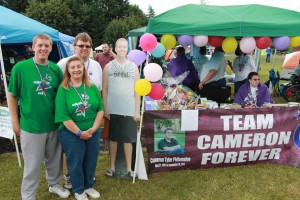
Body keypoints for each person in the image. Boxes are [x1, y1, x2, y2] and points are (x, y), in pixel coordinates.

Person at [8, 34, 70, 199]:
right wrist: (15, 121)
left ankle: (54, 184)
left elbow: (62, 95)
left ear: (51, 48)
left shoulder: (55, 69)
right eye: (40, 45)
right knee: (32, 165)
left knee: (54, 160)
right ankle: (28, 194)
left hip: (54, 124)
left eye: (47, 46)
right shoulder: (20, 68)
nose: (43, 48)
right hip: (31, 125)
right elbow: (12, 95)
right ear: (33, 47)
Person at [57, 32, 102, 189]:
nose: (84, 48)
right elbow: (60, 89)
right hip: (70, 118)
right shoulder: (63, 63)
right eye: (81, 45)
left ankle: (87, 179)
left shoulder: (96, 65)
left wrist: (97, 123)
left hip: (90, 118)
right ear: (74, 46)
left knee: (90, 155)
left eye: (87, 46)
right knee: (71, 153)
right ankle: (70, 177)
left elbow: (99, 91)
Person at [102, 38, 140, 178]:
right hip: (113, 109)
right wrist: (106, 108)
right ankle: (112, 167)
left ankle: (129, 169)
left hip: (129, 109)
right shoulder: (108, 67)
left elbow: (137, 91)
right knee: (113, 139)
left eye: (125, 47)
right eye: (120, 47)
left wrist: (137, 110)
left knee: (128, 139)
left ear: (127, 49)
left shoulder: (133, 67)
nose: (122, 49)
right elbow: (105, 89)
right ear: (115, 48)